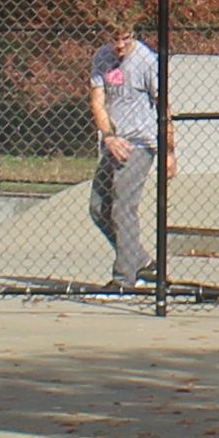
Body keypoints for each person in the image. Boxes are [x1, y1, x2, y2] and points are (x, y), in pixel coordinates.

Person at [84, 21, 165, 296]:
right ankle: (141, 262)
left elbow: (164, 105)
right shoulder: (101, 58)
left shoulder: (147, 61)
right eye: (114, 39)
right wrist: (108, 136)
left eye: (125, 39)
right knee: (98, 208)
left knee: (122, 207)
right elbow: (97, 101)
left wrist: (169, 151)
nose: (119, 46)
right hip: (113, 143)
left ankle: (123, 280)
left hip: (142, 143)